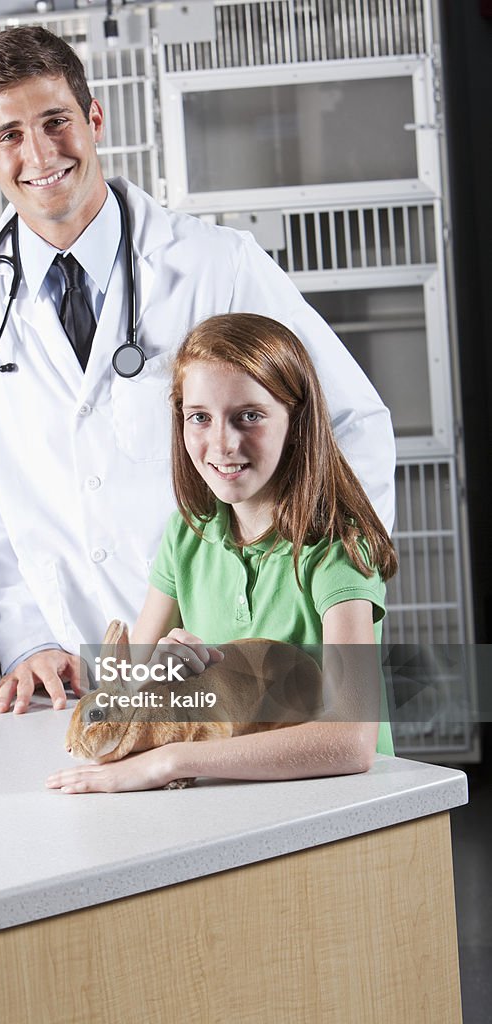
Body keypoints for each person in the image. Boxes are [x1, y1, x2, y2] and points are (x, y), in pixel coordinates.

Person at [0, 26, 396, 716]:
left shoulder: (216, 263)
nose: (41, 153)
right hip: (76, 670)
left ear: (95, 119)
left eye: (56, 122)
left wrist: (310, 598)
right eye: (11, 134)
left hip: (236, 646)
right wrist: (25, 641)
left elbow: (349, 421)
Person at [46, 314, 398, 793]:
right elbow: (123, 693)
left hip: (338, 806)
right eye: (200, 417)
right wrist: (155, 676)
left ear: (296, 423)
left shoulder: (337, 547)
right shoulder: (187, 533)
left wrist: (172, 759)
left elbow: (351, 742)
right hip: (228, 801)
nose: (222, 443)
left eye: (249, 416)